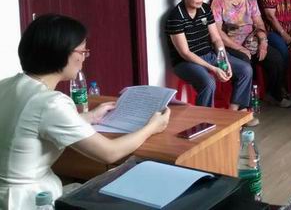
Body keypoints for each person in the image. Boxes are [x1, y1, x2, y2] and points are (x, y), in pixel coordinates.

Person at [0, 15, 170, 209]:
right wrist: (152, 127)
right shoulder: (50, 103)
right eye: (82, 51)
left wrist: (89, 117)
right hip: (26, 201)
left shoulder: (6, 85)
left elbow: (25, 124)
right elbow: (110, 153)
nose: (83, 59)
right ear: (62, 53)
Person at [166, 0, 255, 117]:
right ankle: (204, 121)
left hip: (209, 55)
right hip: (186, 62)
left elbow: (216, 39)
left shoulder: (205, 9)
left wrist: (224, 60)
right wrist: (213, 68)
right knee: (209, 82)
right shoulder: (176, 17)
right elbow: (185, 53)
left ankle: (233, 112)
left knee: (245, 69)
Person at [211, 0, 291, 109]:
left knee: (276, 59)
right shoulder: (218, 2)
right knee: (244, 64)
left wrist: (263, 43)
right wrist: (240, 48)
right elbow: (217, 32)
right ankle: (244, 106)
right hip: (231, 44)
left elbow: (259, 23)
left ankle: (273, 94)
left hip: (252, 40)